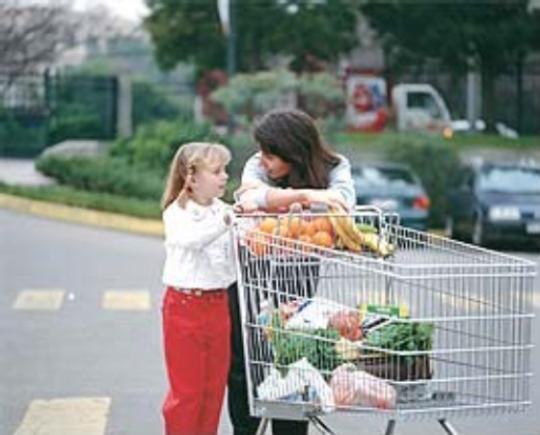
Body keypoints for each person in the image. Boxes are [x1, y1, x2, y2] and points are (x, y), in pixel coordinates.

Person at [228, 109, 356, 435]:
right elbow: (251, 193)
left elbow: (343, 201)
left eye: (272, 154)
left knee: (293, 357)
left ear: (294, 152)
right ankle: (246, 430)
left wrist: (278, 204)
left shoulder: (335, 166)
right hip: (250, 272)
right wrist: (306, 197)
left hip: (297, 271)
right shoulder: (258, 164)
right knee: (246, 361)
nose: (264, 160)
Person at [160, 142, 236, 435]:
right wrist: (227, 222)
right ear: (191, 179)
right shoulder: (176, 213)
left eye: (225, 170)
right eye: (216, 171)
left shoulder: (224, 210)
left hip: (218, 306)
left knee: (213, 390)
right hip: (184, 307)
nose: (225, 176)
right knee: (187, 392)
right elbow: (193, 239)